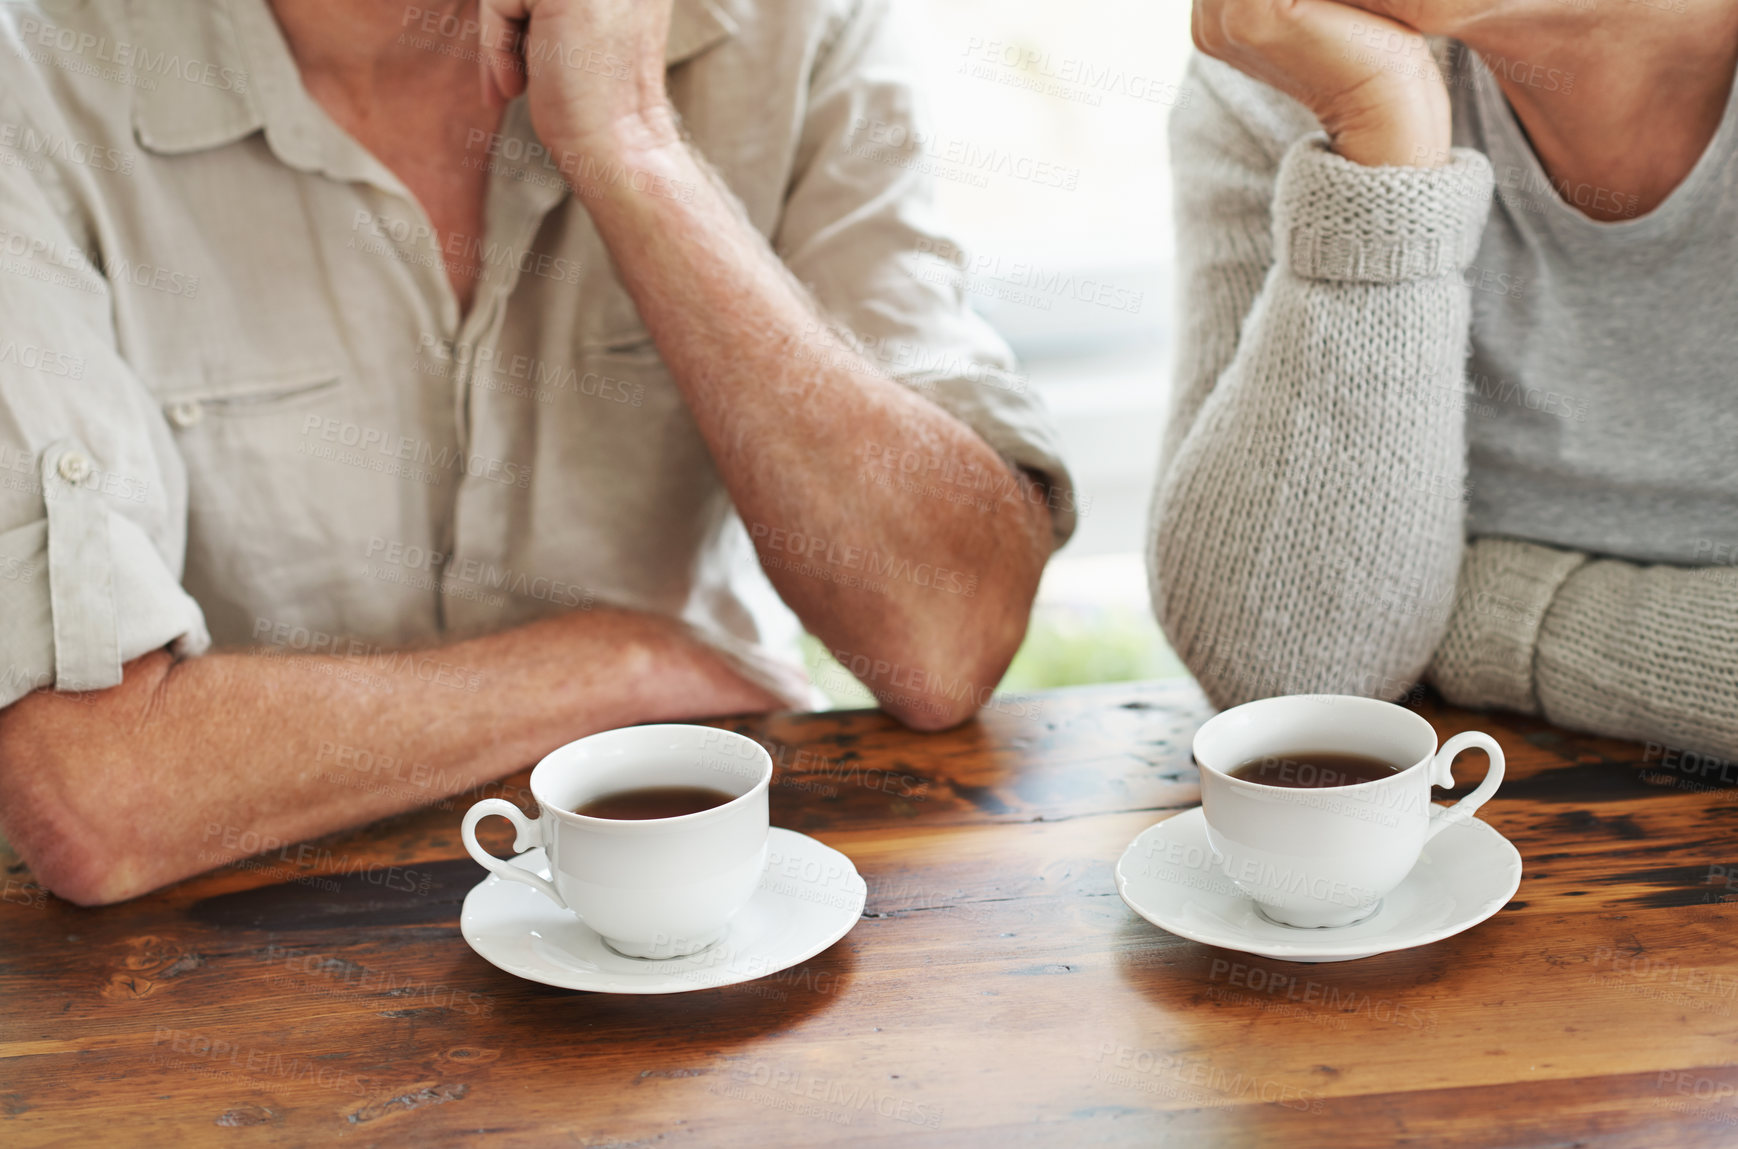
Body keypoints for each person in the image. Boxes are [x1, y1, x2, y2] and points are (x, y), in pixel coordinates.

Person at [0, 0, 1077, 904]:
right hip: (227, 952)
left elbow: (942, 638)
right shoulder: (37, 75)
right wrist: (631, 668)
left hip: (689, 895)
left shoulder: (791, 27)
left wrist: (632, 142)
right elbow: (96, 795)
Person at [1152, 0, 1738, 758]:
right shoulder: (1291, 69)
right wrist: (1378, 134)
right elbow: (1290, 679)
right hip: (1468, 829)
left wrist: (1472, 613)